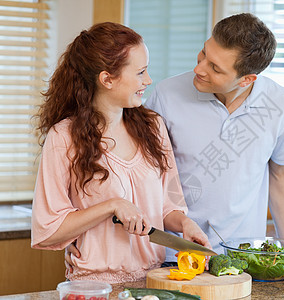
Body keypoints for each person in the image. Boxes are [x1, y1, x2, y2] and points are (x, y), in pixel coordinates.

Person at [31, 22, 210, 284]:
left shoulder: (153, 126)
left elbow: (167, 206)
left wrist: (184, 225)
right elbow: (48, 230)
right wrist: (112, 206)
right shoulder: (63, 137)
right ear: (107, 79)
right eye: (140, 72)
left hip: (153, 279)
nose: (148, 81)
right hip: (93, 284)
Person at [145, 13, 284, 264]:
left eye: (215, 68)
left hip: (243, 256)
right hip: (174, 253)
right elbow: (145, 174)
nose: (199, 68)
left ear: (246, 80)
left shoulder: (281, 105)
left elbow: (279, 174)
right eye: (204, 53)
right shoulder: (166, 95)